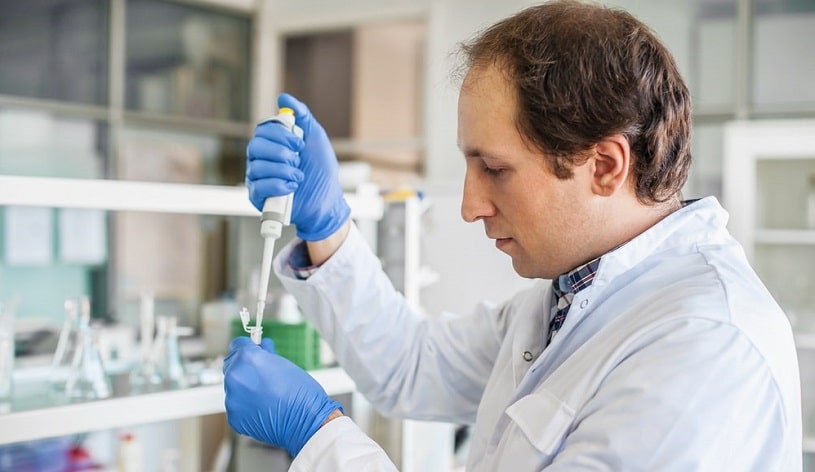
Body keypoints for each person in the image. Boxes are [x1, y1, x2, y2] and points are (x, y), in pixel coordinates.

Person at [223, 0, 803, 470]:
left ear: (604, 166)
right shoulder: (568, 299)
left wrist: (319, 437)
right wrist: (328, 227)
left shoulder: (704, 347)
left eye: (494, 169)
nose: (471, 206)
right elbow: (411, 366)